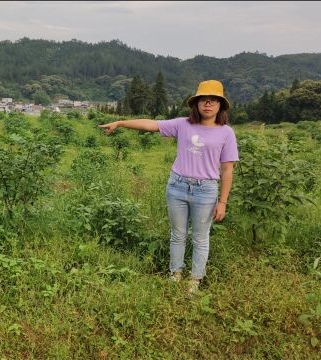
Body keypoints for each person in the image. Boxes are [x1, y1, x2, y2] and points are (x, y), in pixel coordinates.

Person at [98, 80, 239, 294]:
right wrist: (120, 123)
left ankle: (195, 279)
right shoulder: (183, 124)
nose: (208, 104)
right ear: (196, 104)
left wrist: (223, 202)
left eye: (213, 100)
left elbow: (227, 170)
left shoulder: (226, 133)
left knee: (201, 237)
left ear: (220, 105)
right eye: (203, 99)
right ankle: (176, 273)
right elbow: (151, 124)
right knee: (178, 234)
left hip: (206, 190)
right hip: (178, 186)